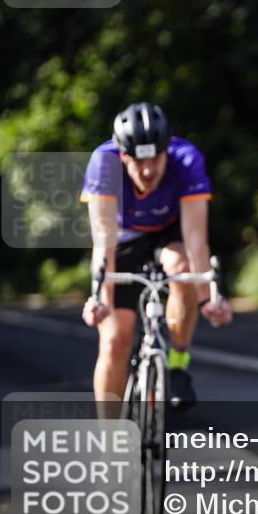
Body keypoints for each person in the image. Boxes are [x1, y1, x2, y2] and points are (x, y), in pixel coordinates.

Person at [80, 102, 232, 411]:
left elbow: (195, 239)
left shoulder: (186, 159)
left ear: (166, 151)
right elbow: (103, 241)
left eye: (156, 159)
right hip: (122, 238)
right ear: (123, 155)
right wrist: (99, 298)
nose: (148, 170)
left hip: (168, 232)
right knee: (113, 341)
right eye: (138, 162)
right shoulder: (103, 162)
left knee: (182, 266)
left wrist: (208, 299)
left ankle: (177, 364)